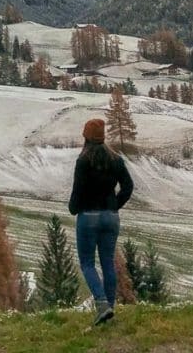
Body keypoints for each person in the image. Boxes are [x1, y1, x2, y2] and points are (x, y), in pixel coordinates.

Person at [68, 117, 133, 325]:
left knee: (87, 263)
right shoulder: (116, 159)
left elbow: (77, 193)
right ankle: (110, 310)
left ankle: (102, 304)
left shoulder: (84, 161)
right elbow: (128, 186)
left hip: (88, 216)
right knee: (108, 263)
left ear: (86, 137)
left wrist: (74, 208)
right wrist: (114, 205)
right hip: (111, 217)